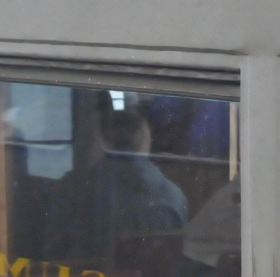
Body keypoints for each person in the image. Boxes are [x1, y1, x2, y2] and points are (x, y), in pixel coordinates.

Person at [43, 107, 187, 263]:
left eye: (92, 139)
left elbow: (53, 256)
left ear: (106, 143)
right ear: (144, 142)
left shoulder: (74, 186)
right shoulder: (175, 195)